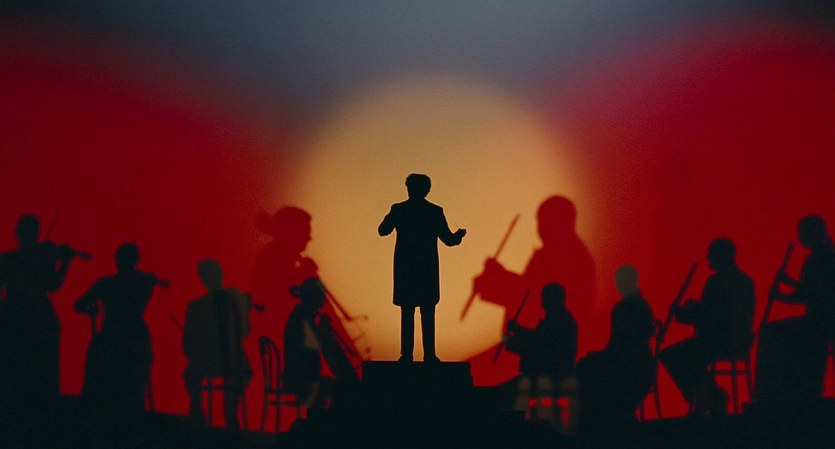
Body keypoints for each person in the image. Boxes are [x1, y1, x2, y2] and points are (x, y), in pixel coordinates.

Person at [469, 196, 596, 384]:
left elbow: (534, 295)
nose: (541, 229)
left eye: (546, 222)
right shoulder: (548, 255)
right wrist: (498, 278)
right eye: (540, 223)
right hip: (530, 348)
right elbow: (526, 290)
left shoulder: (573, 258)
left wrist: (500, 278)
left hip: (548, 354)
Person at [659, 238, 755, 415]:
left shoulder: (722, 283)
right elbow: (709, 311)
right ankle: (711, 394)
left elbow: (711, 315)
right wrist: (693, 309)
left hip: (724, 341)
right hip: (727, 339)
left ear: (721, 256)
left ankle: (709, 395)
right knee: (681, 356)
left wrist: (683, 313)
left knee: (674, 356)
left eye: (711, 254)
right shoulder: (739, 281)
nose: (707, 258)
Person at [378, 173, 466, 362]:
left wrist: (394, 218)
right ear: (427, 190)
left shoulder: (400, 209)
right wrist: (459, 236)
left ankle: (407, 355)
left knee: (408, 311)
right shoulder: (434, 212)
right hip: (426, 269)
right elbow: (449, 240)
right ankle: (429, 355)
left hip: (406, 268)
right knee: (427, 312)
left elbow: (382, 230)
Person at [0, 214, 86, 407]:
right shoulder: (44, 254)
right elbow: (54, 286)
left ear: (17, 233)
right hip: (39, 313)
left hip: (11, 313)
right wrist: (66, 263)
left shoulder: (6, 259)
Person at [74, 242, 167, 416]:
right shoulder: (143, 282)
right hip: (134, 336)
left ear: (117, 260)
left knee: (97, 355)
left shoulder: (107, 283)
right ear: (136, 261)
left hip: (111, 335)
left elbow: (78, 305)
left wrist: (91, 310)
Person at [757, 215, 835, 404]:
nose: (800, 237)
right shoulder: (826, 256)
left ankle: (776, 392)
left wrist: (780, 294)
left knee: (771, 332)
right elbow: (809, 290)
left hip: (820, 323)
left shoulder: (818, 259)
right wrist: (787, 283)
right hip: (821, 321)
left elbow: (807, 295)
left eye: (802, 233)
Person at [576, 264, 655, 436]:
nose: (618, 285)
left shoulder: (623, 309)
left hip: (629, 366)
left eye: (620, 281)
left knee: (585, 369)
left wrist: (601, 356)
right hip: (638, 364)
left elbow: (619, 346)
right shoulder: (641, 306)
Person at [182, 259, 253, 430]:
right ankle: (207, 412)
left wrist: (244, 311)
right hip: (216, 360)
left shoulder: (200, 306)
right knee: (192, 373)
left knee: (238, 373)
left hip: (222, 361)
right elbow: (188, 342)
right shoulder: (199, 306)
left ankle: (220, 414)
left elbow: (243, 333)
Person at [283, 277, 339, 408]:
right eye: (321, 295)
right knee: (338, 389)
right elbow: (312, 344)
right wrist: (323, 328)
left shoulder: (303, 315)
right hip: (300, 379)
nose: (324, 299)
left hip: (301, 376)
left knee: (334, 387)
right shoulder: (302, 317)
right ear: (313, 297)